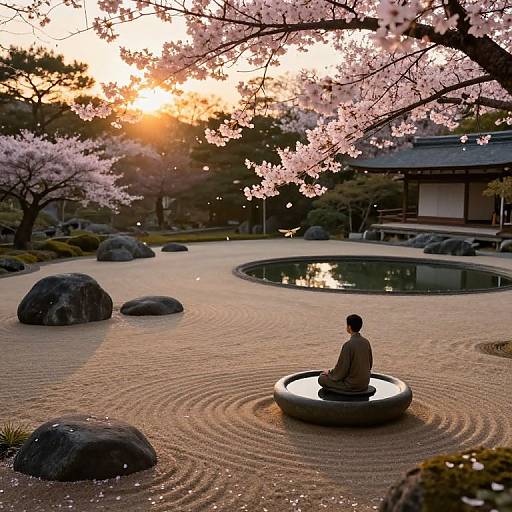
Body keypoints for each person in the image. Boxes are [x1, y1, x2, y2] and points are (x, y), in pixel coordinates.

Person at [318, 314, 373, 393]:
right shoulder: (366, 342)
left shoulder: (348, 345)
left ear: (349, 327)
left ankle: (342, 391)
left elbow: (341, 370)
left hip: (352, 385)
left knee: (322, 378)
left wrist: (329, 373)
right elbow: (370, 364)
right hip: (364, 384)